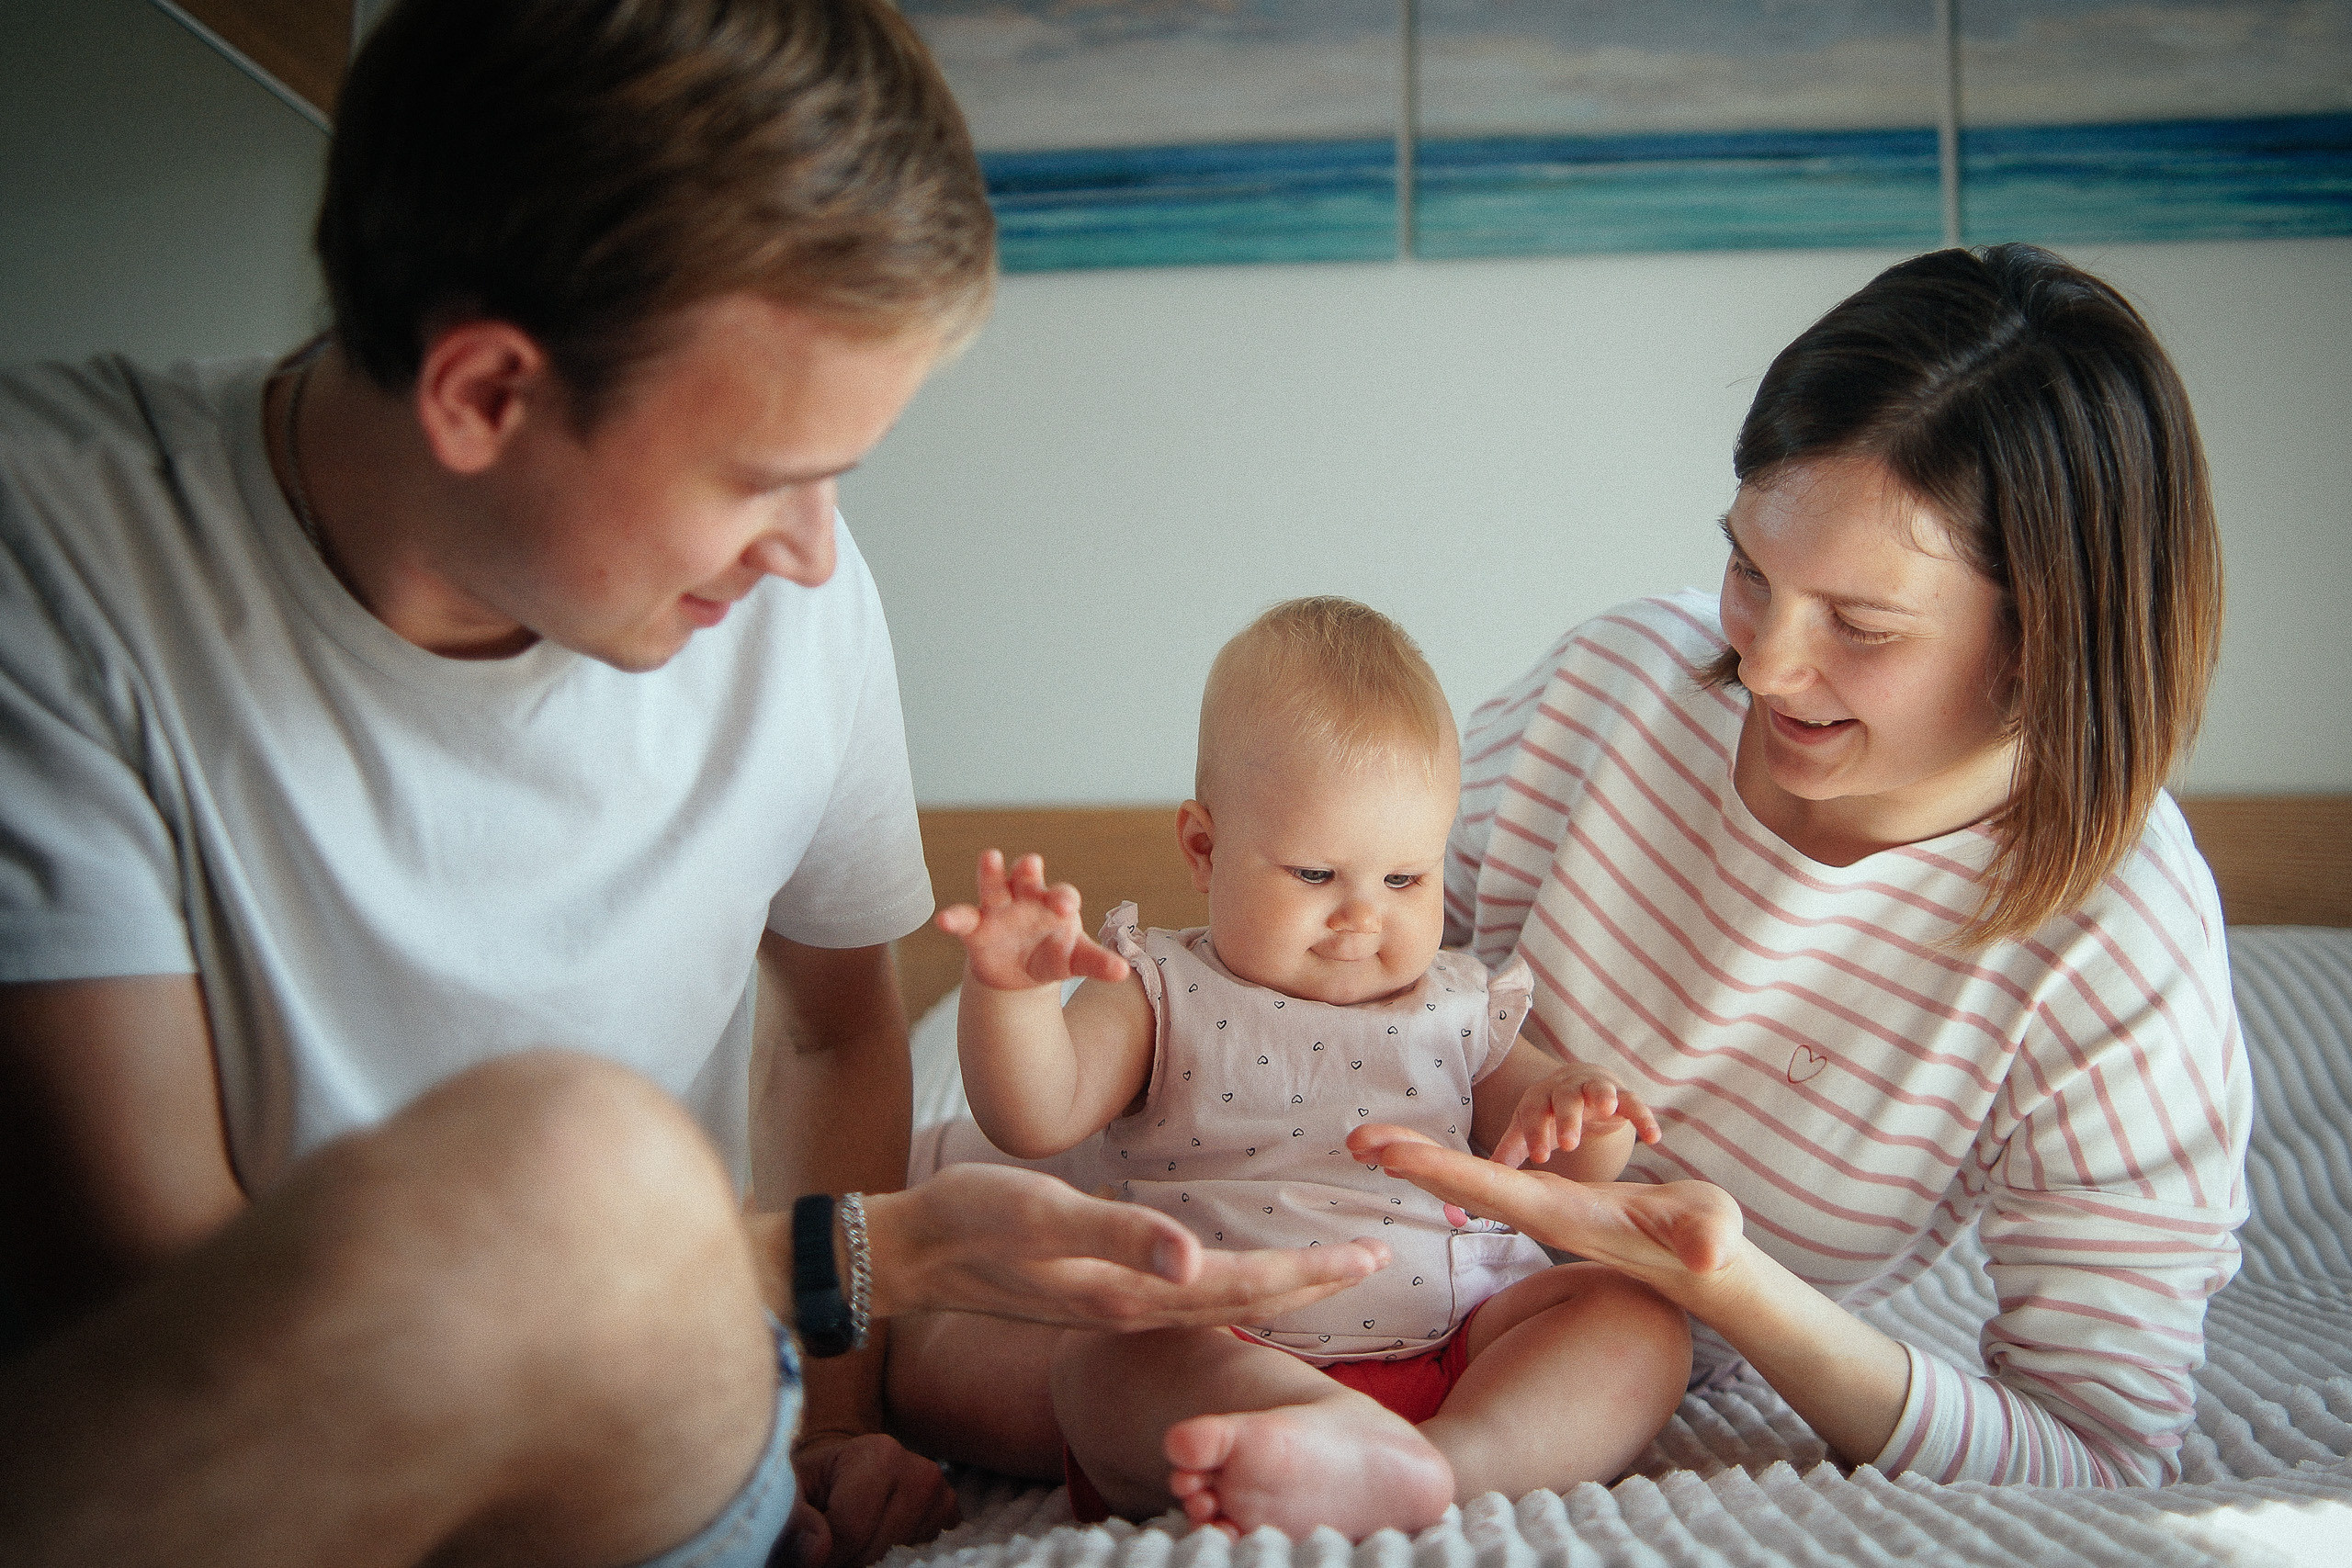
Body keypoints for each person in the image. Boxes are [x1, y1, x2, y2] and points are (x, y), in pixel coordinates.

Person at [0, 2, 1381, 1563]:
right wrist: (867, 1253)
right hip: (225, 1463)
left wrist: (844, 1424)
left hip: (642, 1435)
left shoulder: (799, 601)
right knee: (586, 1168)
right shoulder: (59, 550)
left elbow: (837, 1023)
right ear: (481, 395)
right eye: (760, 478)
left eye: (838, 481)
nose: (810, 552)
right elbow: (145, 1286)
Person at [1352, 243, 2246, 1490]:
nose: (1767, 664)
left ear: (2052, 637)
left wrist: (1728, 1284)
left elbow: (2096, 1452)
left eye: (1862, 625)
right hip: (1310, 1200)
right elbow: (1303, 952)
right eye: (1749, 572)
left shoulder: (2117, 939)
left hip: (1575, 1345)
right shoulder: (1613, 690)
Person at [932, 599, 1694, 1539]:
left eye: (1404, 880)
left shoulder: (1459, 1003)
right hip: (1229, 1345)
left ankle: (1446, 1467)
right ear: (1203, 849)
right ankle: (1319, 1443)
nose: (1361, 917)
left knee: (1634, 1316)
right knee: (1101, 1366)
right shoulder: (1155, 985)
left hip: (1454, 1341)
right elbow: (1034, 1114)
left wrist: (1582, 1111)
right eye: (1315, 876)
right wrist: (1008, 995)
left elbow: (1575, 1176)